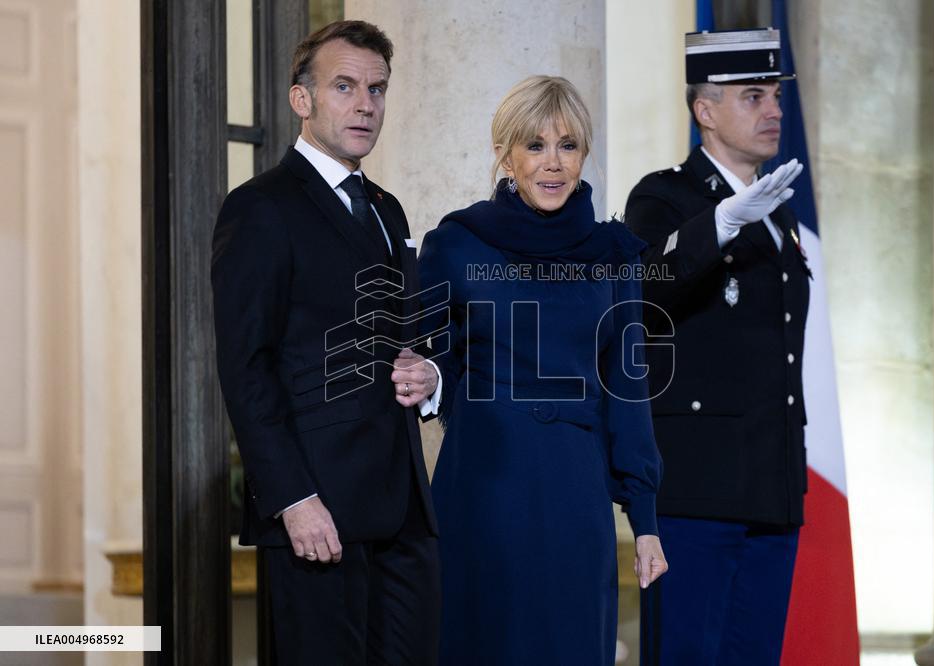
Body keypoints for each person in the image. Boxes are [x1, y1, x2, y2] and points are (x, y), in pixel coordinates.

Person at [212, 20, 441, 665]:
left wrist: (427, 375)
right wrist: (291, 498)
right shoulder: (259, 208)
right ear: (301, 99)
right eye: (345, 86)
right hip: (317, 515)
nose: (366, 104)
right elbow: (245, 365)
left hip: (403, 513)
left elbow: (407, 335)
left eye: (377, 88)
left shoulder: (386, 209)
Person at [418, 75, 667, 666]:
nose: (552, 163)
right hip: (482, 483)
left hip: (573, 493)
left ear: (585, 154)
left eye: (568, 145)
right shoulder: (455, 242)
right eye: (535, 145)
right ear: (505, 154)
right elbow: (433, 357)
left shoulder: (616, 254)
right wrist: (437, 383)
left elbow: (627, 391)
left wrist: (646, 518)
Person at [625, 28, 810, 665]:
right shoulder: (664, 197)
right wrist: (722, 222)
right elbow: (645, 290)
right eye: (753, 97)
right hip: (697, 489)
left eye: (775, 97)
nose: (775, 111)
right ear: (705, 111)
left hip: (771, 486)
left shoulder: (777, 208)